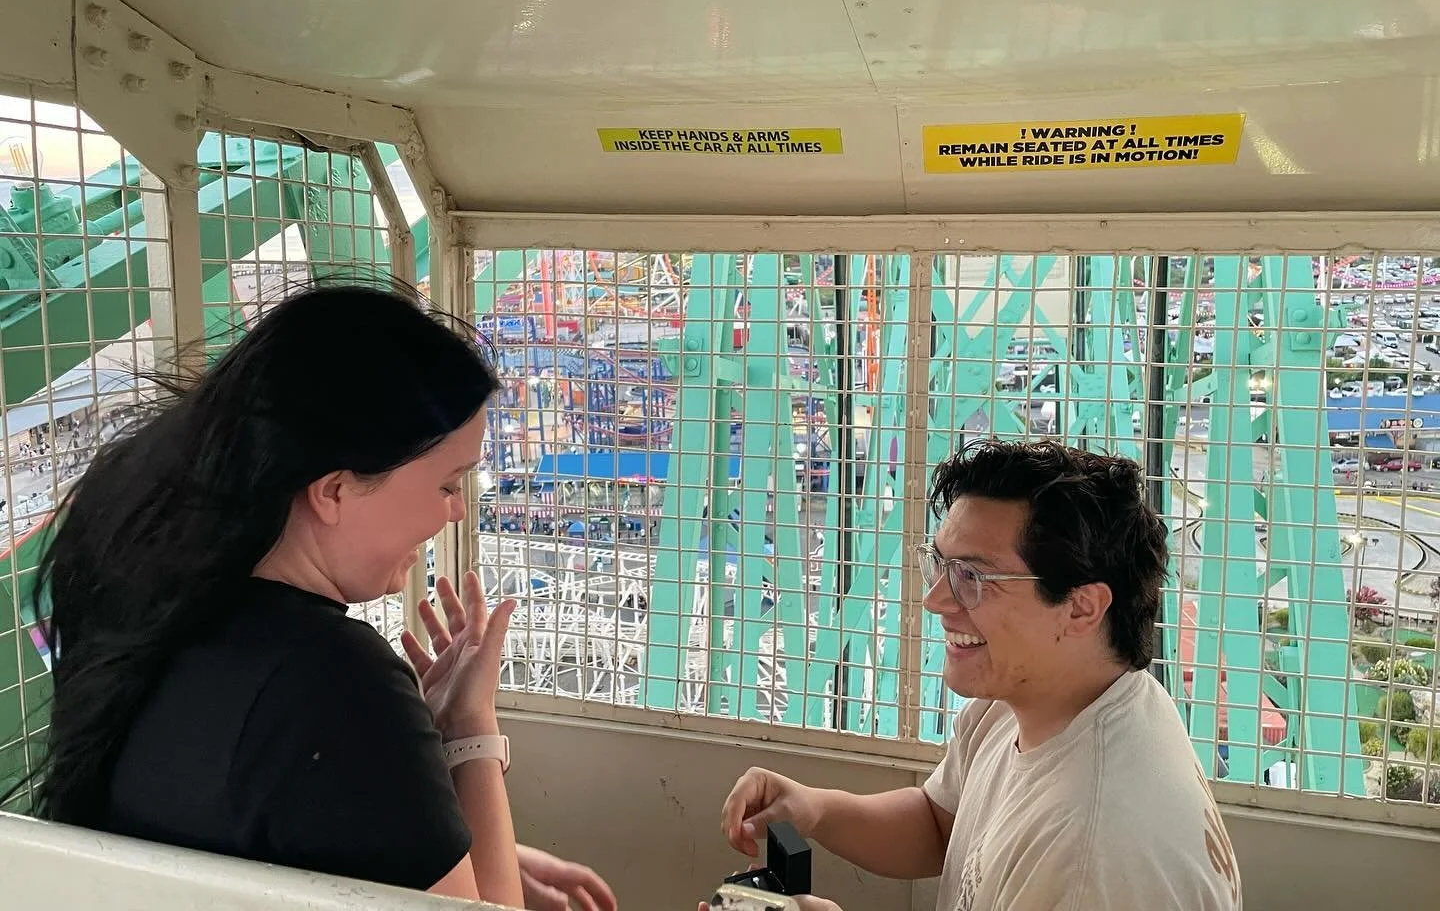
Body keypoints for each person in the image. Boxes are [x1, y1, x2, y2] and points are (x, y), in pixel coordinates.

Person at [4, 282, 615, 911]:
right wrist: (469, 731)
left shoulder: (150, 608)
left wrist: (456, 846)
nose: (459, 511)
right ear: (334, 491)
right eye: (447, 484)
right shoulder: (336, 681)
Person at [715, 439, 1242, 910]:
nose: (934, 599)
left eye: (972, 577)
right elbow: (942, 824)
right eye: (939, 565)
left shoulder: (1092, 857)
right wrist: (815, 809)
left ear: (1081, 608)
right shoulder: (1039, 699)